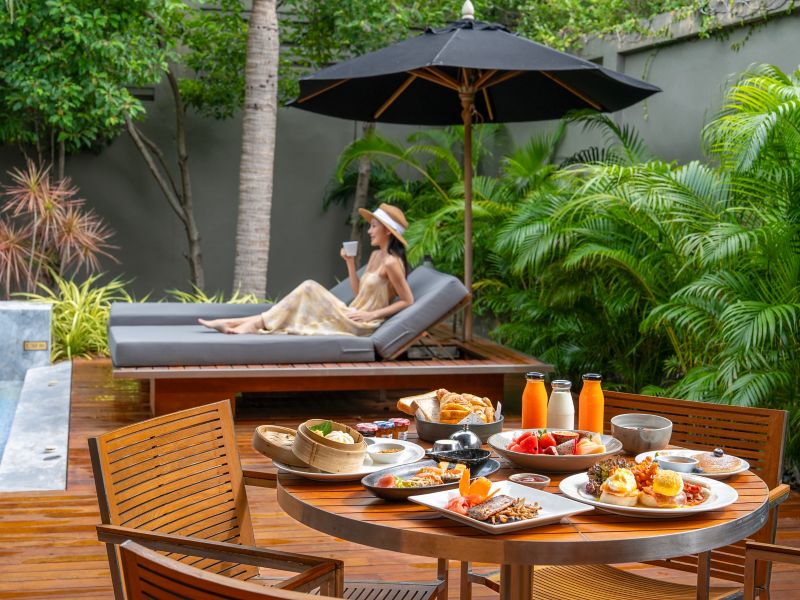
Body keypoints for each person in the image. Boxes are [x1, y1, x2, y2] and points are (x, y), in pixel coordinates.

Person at [198, 203, 414, 335]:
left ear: (388, 231)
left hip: (361, 324)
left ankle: (246, 325)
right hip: (353, 313)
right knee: (304, 294)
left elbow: (407, 300)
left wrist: (371, 314)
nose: (369, 231)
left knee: (309, 288)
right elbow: (358, 294)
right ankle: (236, 322)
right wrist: (350, 262)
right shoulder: (376, 256)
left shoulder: (391, 263)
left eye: (374, 226)